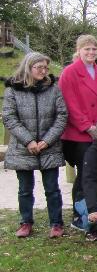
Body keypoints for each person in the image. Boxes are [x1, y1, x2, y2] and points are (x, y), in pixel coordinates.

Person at [3, 52, 68, 238]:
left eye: (46, 67)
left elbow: (61, 116)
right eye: (39, 67)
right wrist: (28, 140)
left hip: (49, 146)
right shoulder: (12, 90)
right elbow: (9, 117)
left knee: (52, 189)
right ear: (28, 68)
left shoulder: (53, 89)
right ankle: (25, 222)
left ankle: (56, 223)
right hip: (23, 148)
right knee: (25, 189)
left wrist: (47, 140)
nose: (43, 71)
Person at [58, 34, 97, 223]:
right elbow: (70, 104)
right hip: (78, 135)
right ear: (79, 50)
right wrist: (88, 127)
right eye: (86, 49)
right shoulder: (70, 72)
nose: (91, 52)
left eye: (93, 49)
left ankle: (96, 209)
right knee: (85, 175)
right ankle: (80, 211)